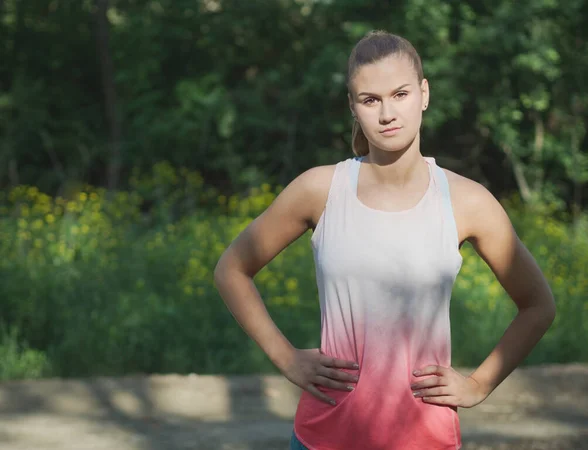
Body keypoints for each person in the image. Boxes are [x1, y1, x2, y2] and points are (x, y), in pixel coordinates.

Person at [213, 30, 556, 450]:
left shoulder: (467, 201)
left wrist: (479, 384)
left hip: (424, 439)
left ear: (424, 93)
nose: (387, 113)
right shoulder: (320, 189)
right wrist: (285, 357)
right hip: (324, 436)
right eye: (370, 99)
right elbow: (231, 269)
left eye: (400, 94)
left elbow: (538, 305)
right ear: (353, 108)